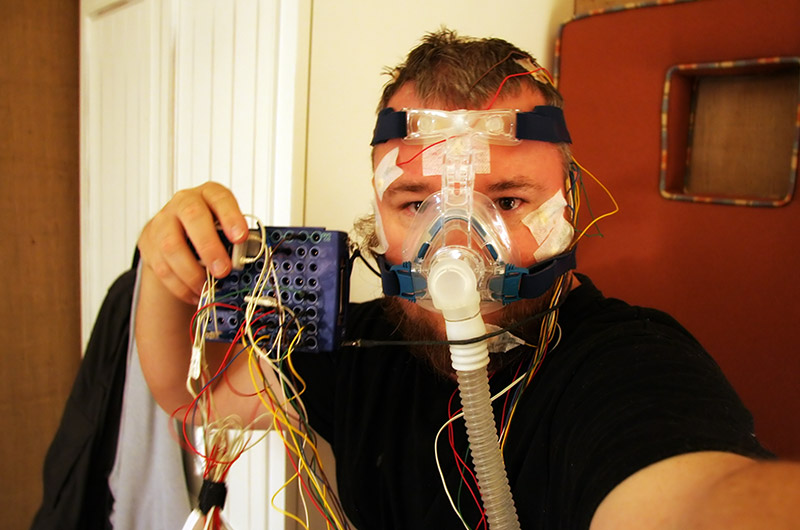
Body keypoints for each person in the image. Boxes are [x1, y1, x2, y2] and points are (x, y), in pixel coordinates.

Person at [136, 29, 800, 529]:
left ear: (566, 212)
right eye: (416, 203)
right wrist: (166, 273)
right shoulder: (351, 346)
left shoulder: (627, 367)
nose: (454, 244)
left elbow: (696, 500)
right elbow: (191, 398)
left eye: (507, 201)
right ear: (379, 217)